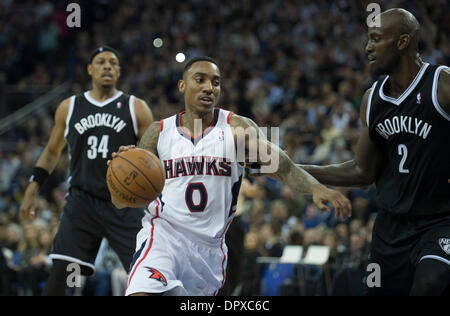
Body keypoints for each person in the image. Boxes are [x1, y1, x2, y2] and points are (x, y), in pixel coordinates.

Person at [110, 56, 351, 296]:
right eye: (200, 79)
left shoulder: (238, 128)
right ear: (182, 86)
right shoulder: (158, 132)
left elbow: (283, 166)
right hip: (164, 236)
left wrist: (317, 188)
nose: (209, 87)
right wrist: (118, 173)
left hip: (209, 251)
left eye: (216, 82)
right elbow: (122, 196)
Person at [290, 9, 450, 295]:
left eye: (376, 39)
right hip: (390, 229)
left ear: (402, 42)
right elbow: (363, 173)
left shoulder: (442, 85)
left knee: (430, 283)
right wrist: (295, 168)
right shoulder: (372, 99)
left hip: (439, 223)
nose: (368, 47)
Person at [19, 46, 154, 296]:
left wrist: (139, 155)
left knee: (145, 275)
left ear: (119, 71)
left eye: (113, 63)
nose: (107, 66)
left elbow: (153, 155)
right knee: (61, 275)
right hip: (82, 202)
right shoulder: (69, 107)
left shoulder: (136, 107)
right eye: (101, 62)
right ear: (90, 69)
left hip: (124, 205)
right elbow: (51, 152)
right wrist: (32, 188)